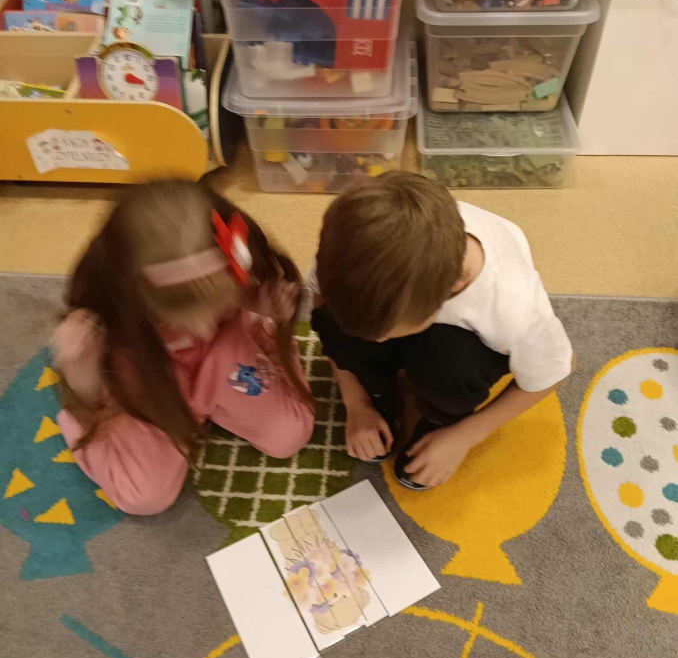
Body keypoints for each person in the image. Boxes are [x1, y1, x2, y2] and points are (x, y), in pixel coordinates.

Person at [52, 179, 314, 515]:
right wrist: (81, 376)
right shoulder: (116, 325)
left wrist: (264, 311)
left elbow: (242, 301)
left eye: (218, 308)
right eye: (183, 319)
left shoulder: (225, 276)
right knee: (145, 496)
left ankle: (220, 371)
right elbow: (95, 395)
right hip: (151, 378)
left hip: (223, 358)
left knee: (290, 434)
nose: (204, 328)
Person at [311, 171, 574, 491]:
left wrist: (464, 436)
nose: (377, 341)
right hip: (412, 295)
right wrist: (356, 400)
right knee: (334, 322)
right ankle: (377, 392)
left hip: (461, 341)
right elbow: (321, 302)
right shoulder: (347, 253)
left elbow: (558, 368)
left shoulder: (512, 306)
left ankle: (440, 417)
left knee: (455, 365)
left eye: (386, 333)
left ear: (454, 287)